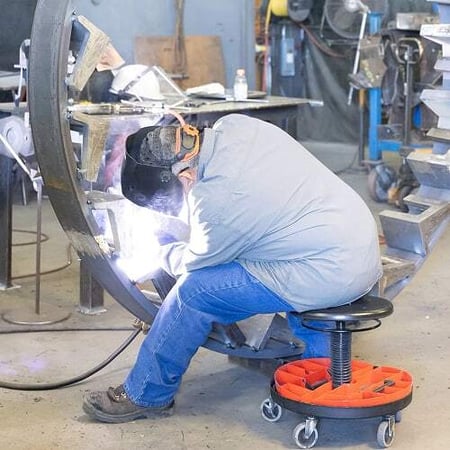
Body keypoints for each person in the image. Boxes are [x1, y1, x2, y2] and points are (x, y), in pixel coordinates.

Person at [83, 113, 382, 423]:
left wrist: (160, 253)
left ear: (184, 176)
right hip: (358, 245)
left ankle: (146, 393)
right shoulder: (236, 125)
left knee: (193, 294)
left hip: (330, 271)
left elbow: (193, 265)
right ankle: (321, 373)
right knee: (279, 248)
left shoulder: (219, 202)